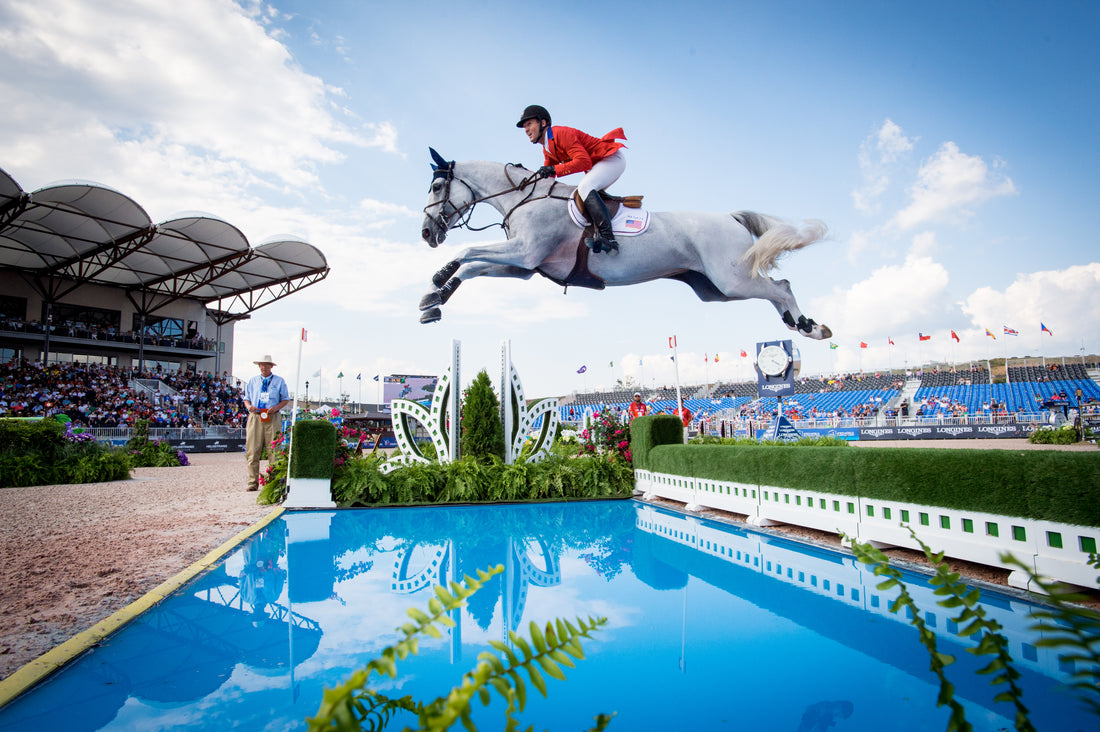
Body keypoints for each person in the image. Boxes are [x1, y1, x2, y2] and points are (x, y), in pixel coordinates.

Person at [517, 104, 626, 255]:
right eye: (524, 127)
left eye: (529, 124)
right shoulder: (547, 147)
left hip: (611, 159)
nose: (526, 130)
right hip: (600, 164)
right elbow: (547, 178)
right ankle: (597, 233)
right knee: (583, 193)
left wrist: (554, 169)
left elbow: (584, 162)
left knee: (585, 187)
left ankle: (609, 239)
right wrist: (525, 176)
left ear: (543, 123)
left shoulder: (560, 133)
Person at [242, 355, 290, 491]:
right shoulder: (252, 381)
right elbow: (246, 398)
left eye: (267, 365)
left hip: (272, 416)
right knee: (252, 450)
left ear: (271, 366)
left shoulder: (279, 381)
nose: (264, 367)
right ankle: (252, 482)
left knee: (274, 450)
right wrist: (248, 406)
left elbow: (285, 399)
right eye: (262, 365)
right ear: (259, 366)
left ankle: (273, 482)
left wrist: (276, 407)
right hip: (255, 415)